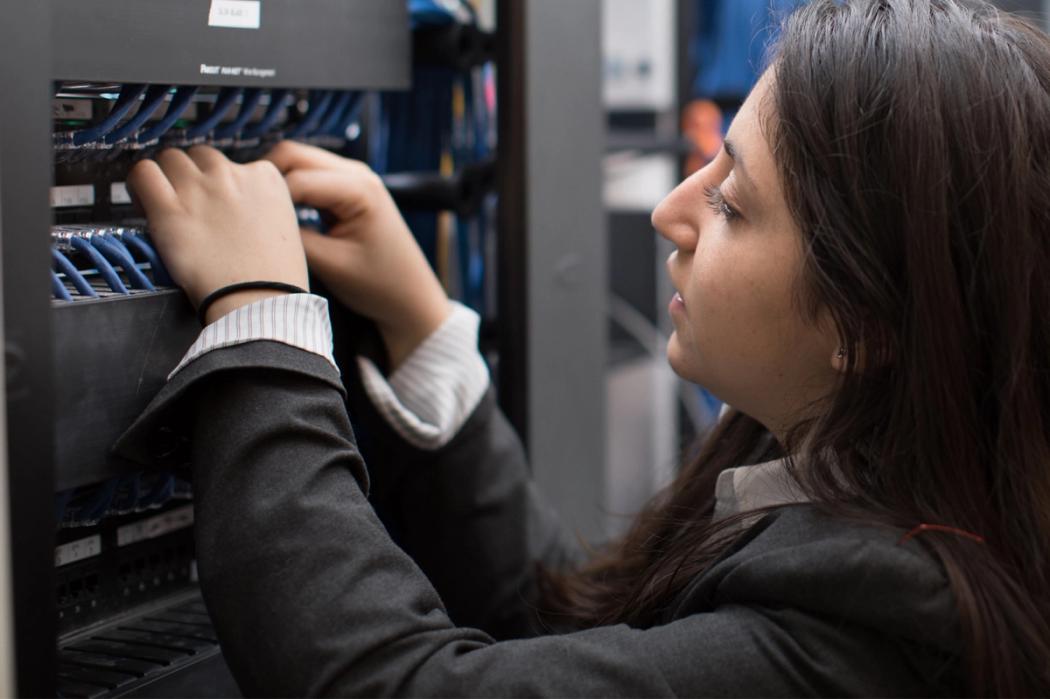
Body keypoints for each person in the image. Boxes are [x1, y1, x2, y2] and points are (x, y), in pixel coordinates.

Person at [118, 0, 1050, 695]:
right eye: (712, 164)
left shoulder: (892, 618)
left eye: (732, 203)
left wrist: (262, 313)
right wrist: (423, 324)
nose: (669, 211)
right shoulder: (853, 466)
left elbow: (395, 686)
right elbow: (573, 629)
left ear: (864, 326)